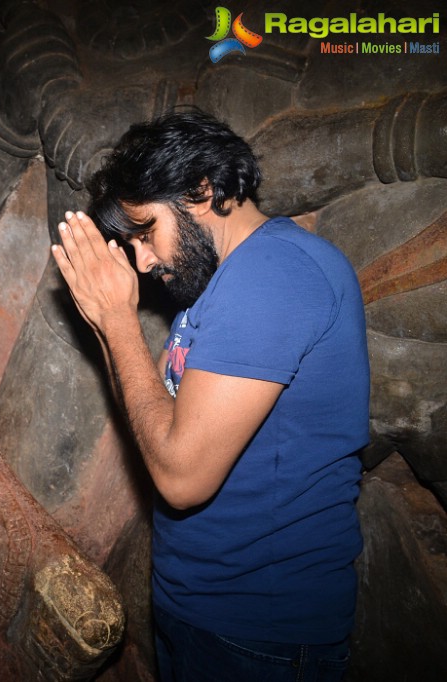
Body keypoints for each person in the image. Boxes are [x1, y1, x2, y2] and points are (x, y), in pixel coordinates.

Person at [50, 108, 369, 681]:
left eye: (146, 232)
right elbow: (156, 418)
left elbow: (180, 476)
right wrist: (103, 319)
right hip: (203, 612)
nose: (143, 262)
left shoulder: (272, 275)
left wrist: (120, 322)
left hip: (262, 633)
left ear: (202, 189)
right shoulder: (220, 284)